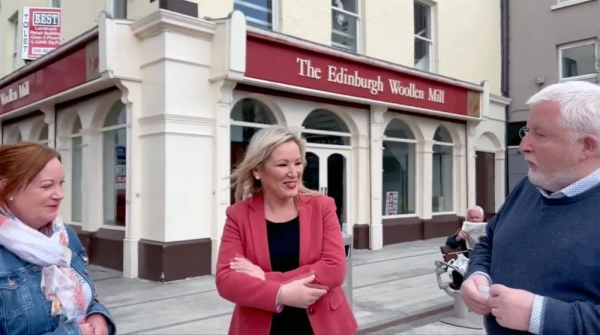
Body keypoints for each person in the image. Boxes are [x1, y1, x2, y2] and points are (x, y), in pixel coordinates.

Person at [460, 81, 600, 334]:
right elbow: (489, 241)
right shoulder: (527, 187)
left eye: (541, 134)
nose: (524, 145)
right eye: (527, 131)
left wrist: (540, 314)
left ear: (587, 146)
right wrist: (477, 274)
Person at [215, 126, 358, 335]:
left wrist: (266, 279)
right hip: (260, 326)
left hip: (325, 326)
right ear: (257, 171)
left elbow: (334, 269)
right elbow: (226, 280)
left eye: (298, 162)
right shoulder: (238, 215)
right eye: (283, 164)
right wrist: (282, 294)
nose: (294, 172)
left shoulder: (323, 206)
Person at [0, 142, 116, 335]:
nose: (60, 194)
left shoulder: (63, 235)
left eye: (60, 183)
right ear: (7, 188)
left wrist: (98, 316)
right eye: (47, 186)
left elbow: (85, 297)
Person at [444, 206, 485, 289]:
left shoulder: (489, 227)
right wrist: (458, 238)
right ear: (467, 218)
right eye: (471, 218)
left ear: (482, 218)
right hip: (469, 259)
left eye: (477, 217)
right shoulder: (464, 228)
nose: (474, 220)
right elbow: (449, 242)